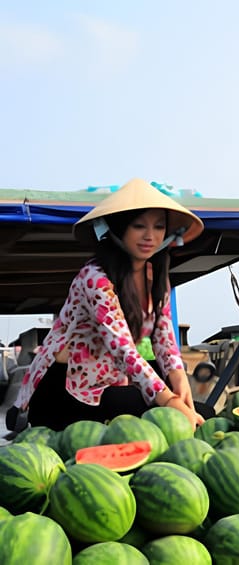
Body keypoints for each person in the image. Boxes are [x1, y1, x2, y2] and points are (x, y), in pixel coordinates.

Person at [12, 179, 207, 431]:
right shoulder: (94, 279)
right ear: (117, 229)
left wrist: (178, 379)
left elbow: (165, 340)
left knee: (200, 411)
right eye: (139, 226)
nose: (150, 236)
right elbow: (122, 349)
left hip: (108, 384)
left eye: (159, 227)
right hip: (66, 390)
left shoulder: (156, 279)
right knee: (172, 413)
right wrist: (168, 400)